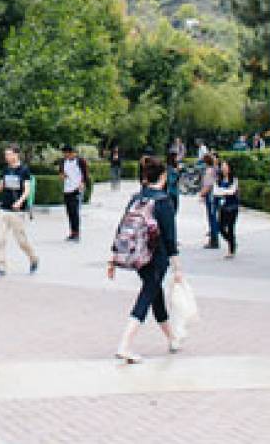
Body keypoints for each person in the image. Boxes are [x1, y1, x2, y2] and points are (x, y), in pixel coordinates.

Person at [107, 156, 183, 363]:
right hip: (157, 257)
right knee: (147, 295)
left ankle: (173, 338)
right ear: (164, 176)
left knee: (155, 295)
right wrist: (178, 269)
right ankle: (125, 345)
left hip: (138, 257)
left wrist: (113, 258)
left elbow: (122, 228)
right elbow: (170, 239)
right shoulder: (163, 201)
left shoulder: (136, 198)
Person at [0, 145, 38, 277]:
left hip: (17, 212)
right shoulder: (5, 170)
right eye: (6, 155)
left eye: (9, 154)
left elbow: (27, 190)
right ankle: (1, 267)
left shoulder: (24, 171)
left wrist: (20, 201)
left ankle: (33, 258)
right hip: (3, 209)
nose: (7, 157)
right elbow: (0, 188)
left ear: (16, 155)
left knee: (21, 241)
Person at [61, 144, 89, 242]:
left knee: (75, 212)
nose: (66, 155)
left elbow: (86, 174)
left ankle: (77, 234)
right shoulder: (63, 161)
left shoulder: (80, 161)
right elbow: (61, 173)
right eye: (64, 154)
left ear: (72, 153)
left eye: (67, 153)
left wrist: (82, 183)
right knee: (69, 212)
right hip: (67, 189)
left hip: (77, 189)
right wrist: (62, 176)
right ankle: (72, 232)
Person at [213, 158, 240, 259]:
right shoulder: (218, 180)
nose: (224, 169)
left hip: (232, 206)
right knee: (220, 227)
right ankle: (231, 242)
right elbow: (215, 192)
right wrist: (225, 191)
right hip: (223, 207)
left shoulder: (234, 179)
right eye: (222, 167)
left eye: (226, 167)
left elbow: (232, 191)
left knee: (231, 228)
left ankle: (231, 250)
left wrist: (223, 191)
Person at [199, 155, 221, 249]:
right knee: (213, 217)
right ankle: (214, 239)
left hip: (211, 196)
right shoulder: (215, 170)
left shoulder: (209, 171)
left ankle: (214, 241)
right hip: (215, 196)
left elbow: (208, 186)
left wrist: (201, 194)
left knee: (212, 218)